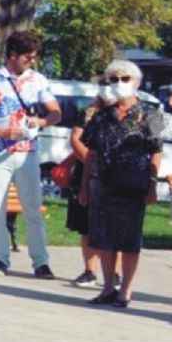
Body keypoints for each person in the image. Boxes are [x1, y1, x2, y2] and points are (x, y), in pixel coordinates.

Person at [0, 31, 60, 278]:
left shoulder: (37, 80)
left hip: (28, 152)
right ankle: (0, 259)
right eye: (28, 57)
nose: (32, 61)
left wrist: (40, 121)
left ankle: (41, 262)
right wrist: (0, 131)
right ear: (13, 56)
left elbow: (55, 112)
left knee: (33, 207)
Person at [79, 60, 164, 308]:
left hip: (134, 184)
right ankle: (108, 287)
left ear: (136, 82)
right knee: (104, 238)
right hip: (103, 182)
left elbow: (156, 151)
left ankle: (126, 290)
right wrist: (85, 185)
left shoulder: (150, 113)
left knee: (129, 239)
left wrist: (152, 184)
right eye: (114, 79)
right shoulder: (101, 116)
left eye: (125, 79)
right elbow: (91, 152)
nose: (119, 84)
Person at [64, 79, 116, 288]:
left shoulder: (127, 114)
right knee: (87, 224)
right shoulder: (88, 113)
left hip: (115, 175)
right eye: (105, 84)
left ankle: (116, 274)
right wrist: (92, 162)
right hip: (87, 174)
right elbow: (76, 139)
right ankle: (90, 271)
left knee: (114, 226)